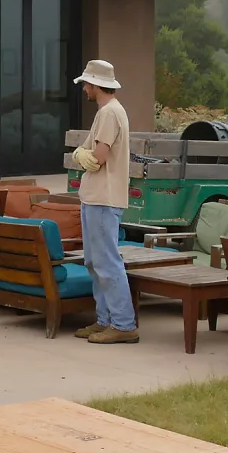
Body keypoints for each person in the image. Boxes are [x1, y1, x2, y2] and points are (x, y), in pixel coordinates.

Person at [70, 59, 136, 344]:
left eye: (86, 83)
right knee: (95, 261)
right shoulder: (106, 112)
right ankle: (105, 320)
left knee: (107, 261)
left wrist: (80, 155)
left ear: (96, 84)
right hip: (95, 196)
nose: (84, 88)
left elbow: (97, 157)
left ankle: (123, 324)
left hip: (103, 198)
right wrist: (82, 153)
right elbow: (89, 151)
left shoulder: (109, 113)